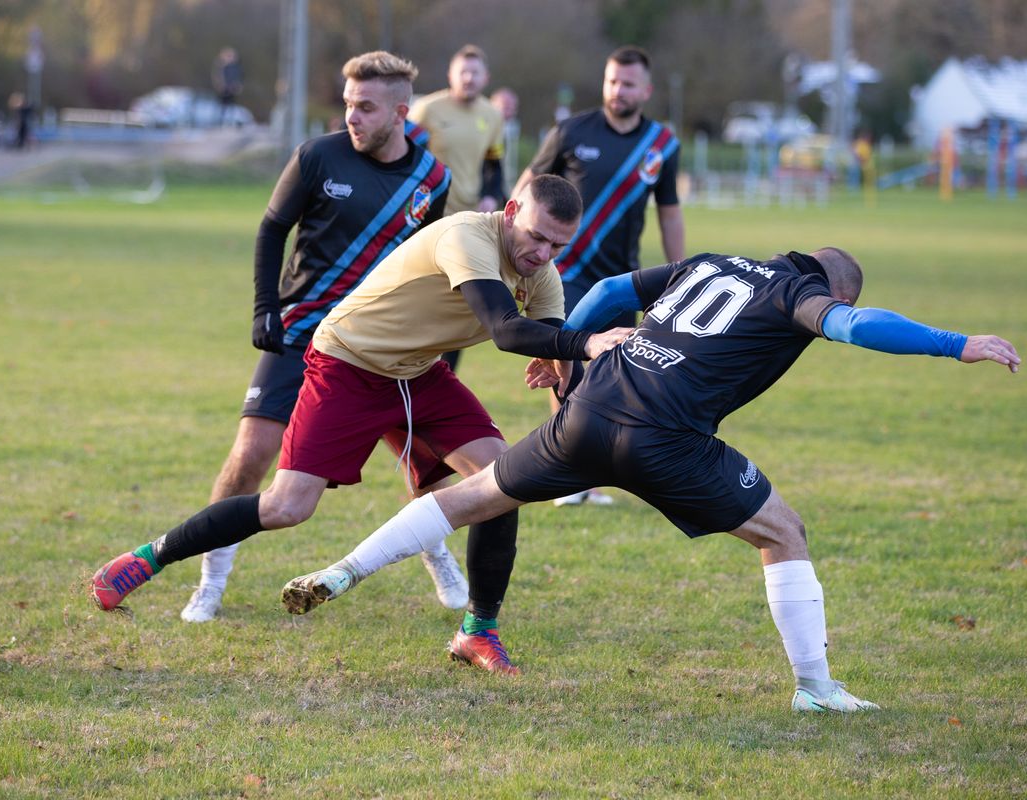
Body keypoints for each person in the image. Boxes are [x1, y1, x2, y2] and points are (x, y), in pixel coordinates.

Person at [281, 247, 1021, 713]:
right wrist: (959, 345)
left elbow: (605, 294)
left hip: (593, 407)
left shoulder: (711, 263)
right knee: (783, 533)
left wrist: (568, 359)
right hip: (665, 438)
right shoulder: (799, 297)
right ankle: (816, 689)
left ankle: (346, 569)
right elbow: (857, 327)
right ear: (828, 286)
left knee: (474, 496)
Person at [92, 175, 633, 621]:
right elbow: (505, 328)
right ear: (512, 209)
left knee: (501, 482)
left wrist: (565, 366)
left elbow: (553, 343)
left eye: (558, 245)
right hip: (347, 363)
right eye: (537, 237)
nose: (543, 253)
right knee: (287, 507)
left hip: (417, 376)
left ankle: (479, 630)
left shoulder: (542, 275)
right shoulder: (468, 235)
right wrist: (583, 343)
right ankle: (147, 558)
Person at [177, 51, 454, 623]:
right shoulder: (316, 156)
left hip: (380, 342)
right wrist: (264, 310)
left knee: (419, 461)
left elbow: (430, 268)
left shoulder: (433, 180)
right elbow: (272, 228)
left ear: (401, 111)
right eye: (348, 103)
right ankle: (211, 580)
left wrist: (439, 346)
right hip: (302, 331)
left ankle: (437, 552)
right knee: (251, 453)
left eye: (366, 107)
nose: (352, 116)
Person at [512, 46, 686, 507]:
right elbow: (526, 187)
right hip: (562, 272)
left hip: (623, 279)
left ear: (645, 90)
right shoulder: (572, 131)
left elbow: (669, 213)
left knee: (614, 373)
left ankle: (589, 472)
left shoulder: (662, 145)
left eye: (627, 83)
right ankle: (568, 474)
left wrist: (680, 276)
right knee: (566, 364)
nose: (617, 90)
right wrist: (508, 244)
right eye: (611, 81)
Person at [410, 44, 506, 373]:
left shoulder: (492, 116)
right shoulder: (426, 110)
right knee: (423, 301)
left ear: (486, 78)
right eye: (462, 71)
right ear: (450, 75)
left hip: (469, 223)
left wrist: (493, 195)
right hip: (426, 221)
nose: (468, 78)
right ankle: (407, 370)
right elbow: (405, 159)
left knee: (460, 304)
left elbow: (495, 165)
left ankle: (443, 377)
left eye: (475, 72)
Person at [212, 47, 244, 125]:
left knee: (231, 107)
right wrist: (220, 86)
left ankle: (230, 122)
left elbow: (238, 78)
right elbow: (217, 78)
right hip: (223, 91)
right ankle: (220, 122)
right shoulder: (220, 67)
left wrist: (237, 86)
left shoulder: (236, 67)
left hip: (232, 90)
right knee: (222, 107)